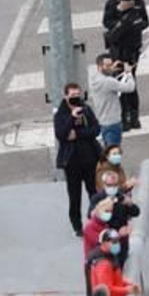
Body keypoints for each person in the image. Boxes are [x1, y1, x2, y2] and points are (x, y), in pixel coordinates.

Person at [55, 83, 104, 235]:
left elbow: (96, 129)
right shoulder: (61, 115)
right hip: (72, 162)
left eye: (78, 95)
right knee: (74, 195)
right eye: (72, 96)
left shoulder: (86, 109)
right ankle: (77, 226)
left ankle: (98, 220)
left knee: (94, 193)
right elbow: (61, 135)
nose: (76, 98)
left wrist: (78, 134)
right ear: (66, 96)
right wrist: (72, 117)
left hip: (90, 158)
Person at [101, 0, 148, 131]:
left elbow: (144, 22)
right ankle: (124, 117)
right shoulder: (112, 3)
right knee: (120, 81)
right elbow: (107, 22)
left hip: (132, 48)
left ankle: (134, 117)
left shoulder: (139, 3)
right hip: (117, 48)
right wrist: (122, 16)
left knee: (131, 81)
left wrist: (133, 23)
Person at [87, 54, 135, 147]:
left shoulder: (94, 79)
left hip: (102, 122)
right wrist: (129, 73)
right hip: (113, 123)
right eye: (107, 65)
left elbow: (105, 77)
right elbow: (130, 87)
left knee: (107, 151)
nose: (110, 67)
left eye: (111, 65)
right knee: (113, 154)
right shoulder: (108, 82)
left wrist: (110, 70)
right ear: (100, 66)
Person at [83, 230, 132, 296]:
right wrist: (127, 290)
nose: (117, 244)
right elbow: (107, 290)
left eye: (118, 241)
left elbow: (113, 278)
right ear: (104, 243)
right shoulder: (103, 264)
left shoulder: (109, 256)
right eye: (114, 241)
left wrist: (127, 284)